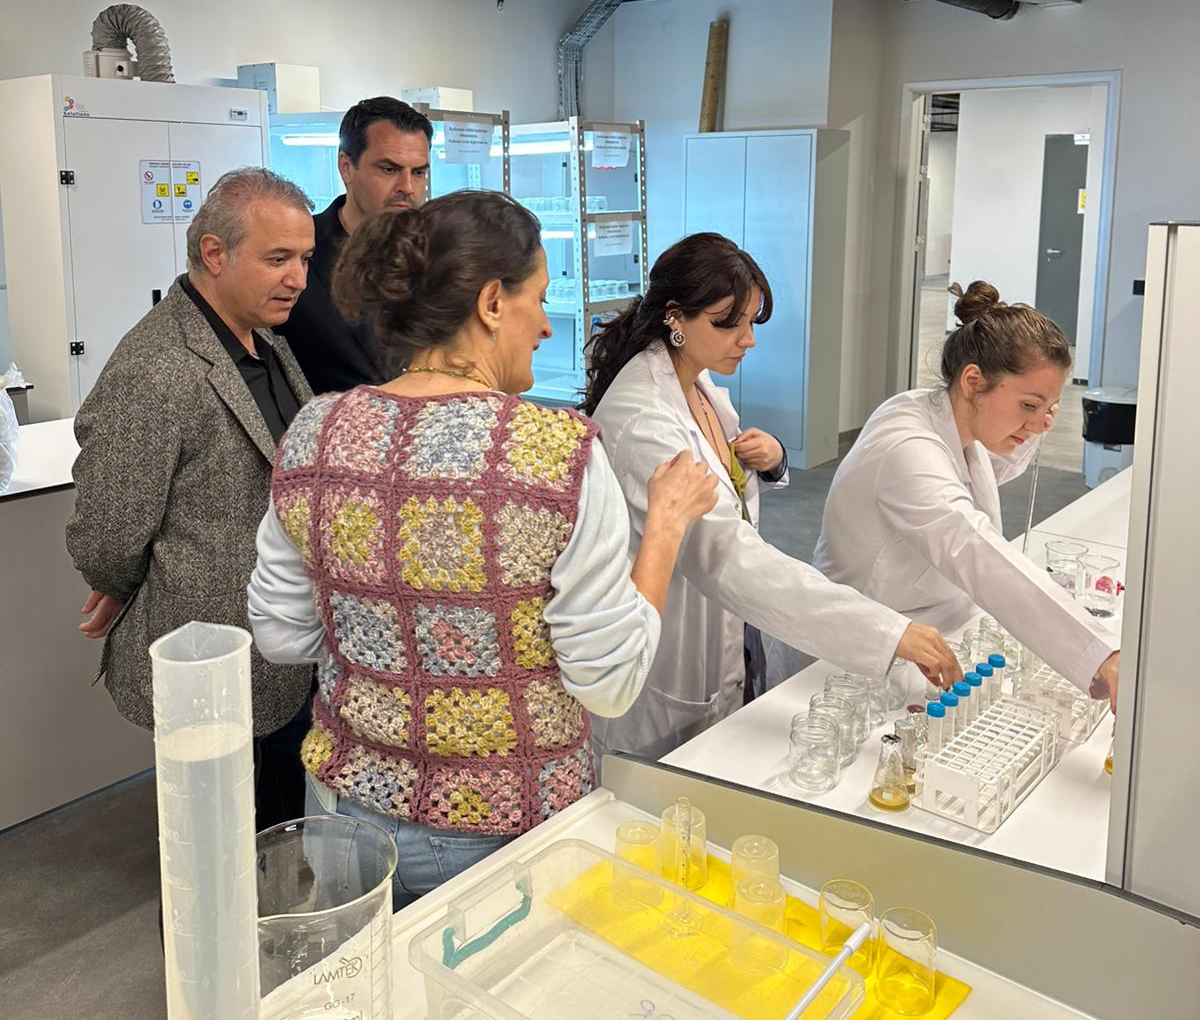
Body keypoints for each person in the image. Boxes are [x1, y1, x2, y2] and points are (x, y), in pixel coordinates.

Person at [248, 190, 716, 905]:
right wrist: (665, 530)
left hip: (342, 810)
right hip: (497, 828)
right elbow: (609, 681)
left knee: (366, 977)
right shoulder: (553, 455)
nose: (548, 327)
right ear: (493, 303)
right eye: (541, 299)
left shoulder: (317, 431)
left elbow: (281, 634)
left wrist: (386, 645)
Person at [581, 233, 961, 761]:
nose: (748, 340)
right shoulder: (642, 417)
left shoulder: (695, 383)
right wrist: (886, 632)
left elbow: (722, 491)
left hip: (722, 629)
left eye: (751, 322)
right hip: (672, 657)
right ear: (675, 317)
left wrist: (770, 460)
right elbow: (727, 555)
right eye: (727, 323)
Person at [67, 168, 317, 831]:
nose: (298, 278)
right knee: (221, 846)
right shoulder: (157, 366)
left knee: (279, 826)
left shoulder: (266, 341)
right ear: (214, 253)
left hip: (279, 648)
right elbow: (109, 528)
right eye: (278, 259)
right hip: (212, 654)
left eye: (305, 259)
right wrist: (119, 584)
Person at [815, 281, 1120, 707]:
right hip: (856, 658)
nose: (1039, 424)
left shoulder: (949, 415)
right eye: (1029, 405)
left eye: (1048, 409)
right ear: (973, 381)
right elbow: (973, 548)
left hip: (926, 634)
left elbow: (990, 467)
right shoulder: (907, 446)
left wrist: (1030, 422)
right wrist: (1101, 654)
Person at [282, 96, 433, 393]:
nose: (407, 188)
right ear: (346, 167)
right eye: (389, 169)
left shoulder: (440, 255)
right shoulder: (295, 252)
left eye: (418, 172)